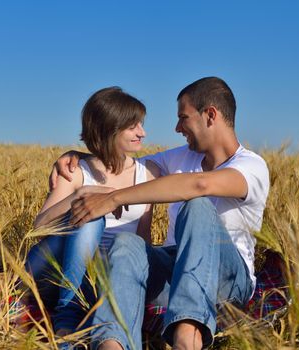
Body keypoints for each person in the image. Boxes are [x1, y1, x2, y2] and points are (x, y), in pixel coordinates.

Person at [52, 77, 270, 349]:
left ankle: (186, 335)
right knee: (127, 244)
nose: (177, 128)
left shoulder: (252, 166)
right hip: (175, 271)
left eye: (183, 118)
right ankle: (112, 343)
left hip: (227, 280)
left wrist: (113, 198)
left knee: (197, 204)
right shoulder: (180, 157)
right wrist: (80, 157)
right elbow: (118, 164)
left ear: (210, 115)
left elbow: (200, 184)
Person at [25, 87, 160, 337]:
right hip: (55, 271)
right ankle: (68, 311)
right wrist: (80, 195)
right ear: (110, 128)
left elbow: (143, 238)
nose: (143, 132)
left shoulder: (148, 173)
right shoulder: (76, 171)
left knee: (95, 214)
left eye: (141, 124)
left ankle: (71, 319)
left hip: (105, 277)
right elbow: (38, 227)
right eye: (133, 127)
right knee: (91, 214)